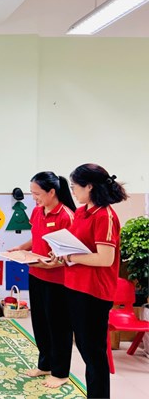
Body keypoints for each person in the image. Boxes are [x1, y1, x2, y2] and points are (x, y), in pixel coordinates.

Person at [55, 163, 128, 399]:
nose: (73, 191)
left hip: (94, 291)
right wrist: (61, 253)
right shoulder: (82, 212)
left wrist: (71, 257)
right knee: (85, 348)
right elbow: (77, 245)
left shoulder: (105, 216)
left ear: (89, 186)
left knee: (94, 353)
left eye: (75, 187)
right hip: (75, 286)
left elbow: (105, 259)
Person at [8, 171, 76, 388]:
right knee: (40, 324)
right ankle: (45, 365)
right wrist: (21, 248)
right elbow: (37, 236)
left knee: (58, 327)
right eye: (32, 193)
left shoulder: (66, 215)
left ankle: (61, 372)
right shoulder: (38, 211)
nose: (34, 198)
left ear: (52, 192)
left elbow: (70, 252)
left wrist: (52, 263)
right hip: (36, 274)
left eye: (37, 193)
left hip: (57, 280)